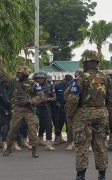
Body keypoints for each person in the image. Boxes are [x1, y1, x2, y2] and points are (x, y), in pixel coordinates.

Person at [65, 50, 111, 180]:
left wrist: (69, 115)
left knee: (82, 146)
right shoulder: (106, 77)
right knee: (101, 146)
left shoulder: (81, 78)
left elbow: (72, 98)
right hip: (101, 114)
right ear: (97, 62)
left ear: (85, 62)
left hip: (83, 115)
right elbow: (110, 100)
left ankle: (81, 176)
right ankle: (102, 176)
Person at [0, 56, 43, 158]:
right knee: (13, 128)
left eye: (21, 74)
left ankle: (34, 149)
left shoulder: (33, 84)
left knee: (32, 129)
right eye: (18, 73)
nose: (18, 75)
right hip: (17, 109)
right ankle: (8, 148)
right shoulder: (15, 81)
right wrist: (0, 65)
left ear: (26, 74)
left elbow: (40, 96)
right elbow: (6, 77)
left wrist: (29, 101)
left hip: (28, 110)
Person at [33, 72, 56, 151]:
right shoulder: (32, 86)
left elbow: (54, 97)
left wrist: (47, 99)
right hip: (35, 107)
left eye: (42, 78)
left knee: (48, 125)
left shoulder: (49, 86)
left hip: (45, 107)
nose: (40, 80)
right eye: (38, 78)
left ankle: (48, 143)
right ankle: (35, 141)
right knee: (34, 125)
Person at [52, 74, 73, 145]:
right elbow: (53, 96)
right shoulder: (57, 86)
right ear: (64, 80)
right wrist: (56, 103)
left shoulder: (71, 86)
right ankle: (57, 138)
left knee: (68, 124)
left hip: (67, 108)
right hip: (58, 109)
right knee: (58, 123)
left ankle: (69, 139)